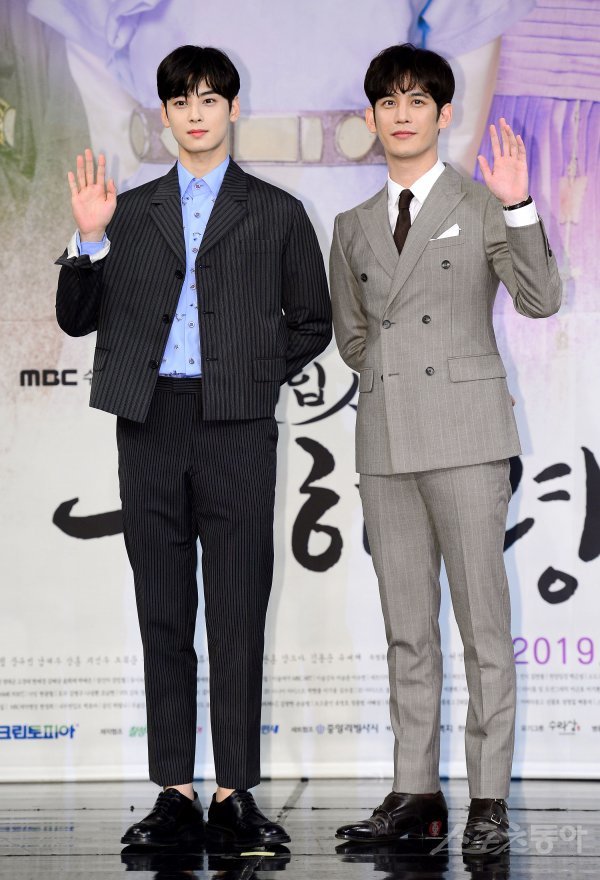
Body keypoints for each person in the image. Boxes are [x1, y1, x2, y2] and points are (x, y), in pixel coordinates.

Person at [54, 44, 331, 848]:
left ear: (233, 108)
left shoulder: (276, 211)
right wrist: (89, 239)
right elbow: (75, 318)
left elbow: (313, 321)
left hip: (236, 425)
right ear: (165, 114)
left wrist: (249, 375)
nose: (197, 112)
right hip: (149, 423)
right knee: (163, 610)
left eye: (211, 98)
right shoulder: (128, 212)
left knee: (239, 610)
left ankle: (233, 790)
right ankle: (174, 789)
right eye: (182, 100)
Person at [330, 43, 561, 854]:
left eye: (417, 101)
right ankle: (416, 791)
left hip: (466, 437)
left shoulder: (482, 201)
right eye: (388, 102)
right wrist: (399, 378)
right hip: (387, 439)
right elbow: (353, 338)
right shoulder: (351, 226)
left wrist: (520, 202)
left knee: (483, 627)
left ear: (443, 114)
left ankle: (488, 800)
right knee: (407, 628)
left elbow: (541, 299)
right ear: (371, 117)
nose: (402, 115)